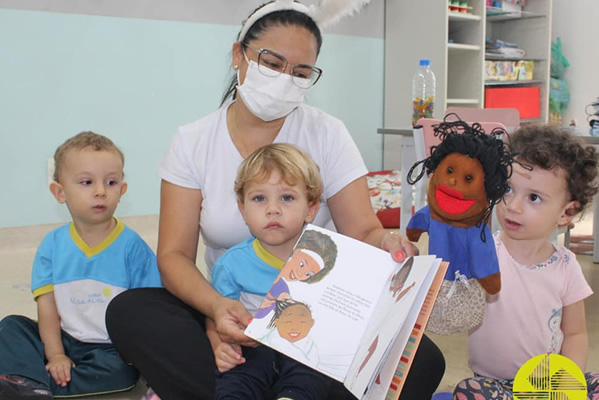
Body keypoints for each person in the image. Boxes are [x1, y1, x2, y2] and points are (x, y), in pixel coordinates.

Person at [105, 2, 445, 399]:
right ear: (239, 55)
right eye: (272, 62)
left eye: (300, 73)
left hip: (319, 320)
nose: (285, 79)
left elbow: (365, 229)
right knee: (130, 313)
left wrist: (387, 242)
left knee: (422, 360)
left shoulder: (327, 134)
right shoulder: (193, 142)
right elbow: (174, 256)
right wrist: (216, 312)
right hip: (234, 313)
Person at [0, 132, 163, 399]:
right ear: (60, 192)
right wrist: (56, 355)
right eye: (87, 182)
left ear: (122, 191)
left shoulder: (132, 246)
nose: (100, 191)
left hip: (111, 349)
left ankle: (33, 383)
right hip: (64, 338)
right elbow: (48, 307)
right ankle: (31, 381)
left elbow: (149, 311)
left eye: (110, 182)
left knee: (121, 372)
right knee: (11, 326)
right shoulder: (52, 245)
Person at [453, 125, 599, 399]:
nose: (514, 206)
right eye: (508, 189)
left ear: (567, 213)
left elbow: (576, 334)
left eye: (533, 197)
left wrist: (568, 386)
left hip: (546, 384)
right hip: (493, 384)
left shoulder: (566, 265)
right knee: (466, 391)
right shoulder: (485, 252)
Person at [209, 143, 332, 400]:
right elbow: (217, 315)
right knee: (236, 376)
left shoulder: (322, 259)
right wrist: (218, 343)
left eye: (286, 197)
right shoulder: (231, 264)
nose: (272, 209)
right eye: (259, 198)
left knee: (313, 376)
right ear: (242, 209)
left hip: (305, 347)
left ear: (310, 208)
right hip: (253, 347)